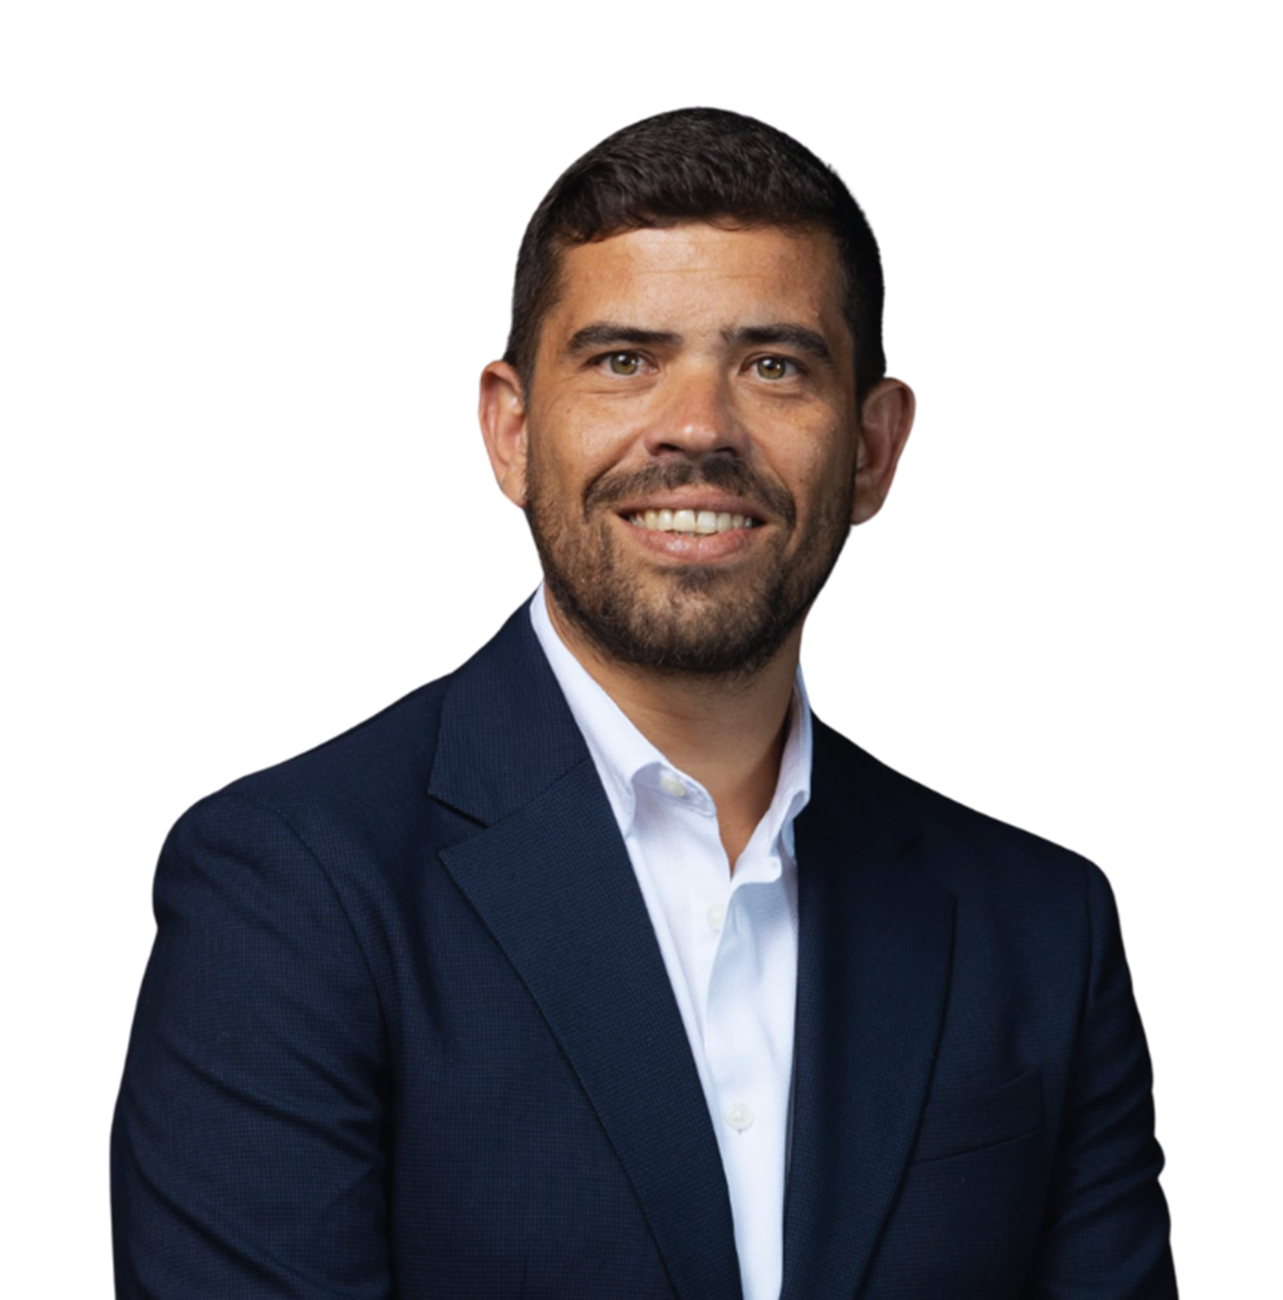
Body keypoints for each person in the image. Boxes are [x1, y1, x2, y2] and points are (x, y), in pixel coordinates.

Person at [109, 108, 1180, 1299]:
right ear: (511, 432)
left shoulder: (1039, 927)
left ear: (872, 447)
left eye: (773, 365)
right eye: (624, 360)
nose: (698, 428)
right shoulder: (292, 889)